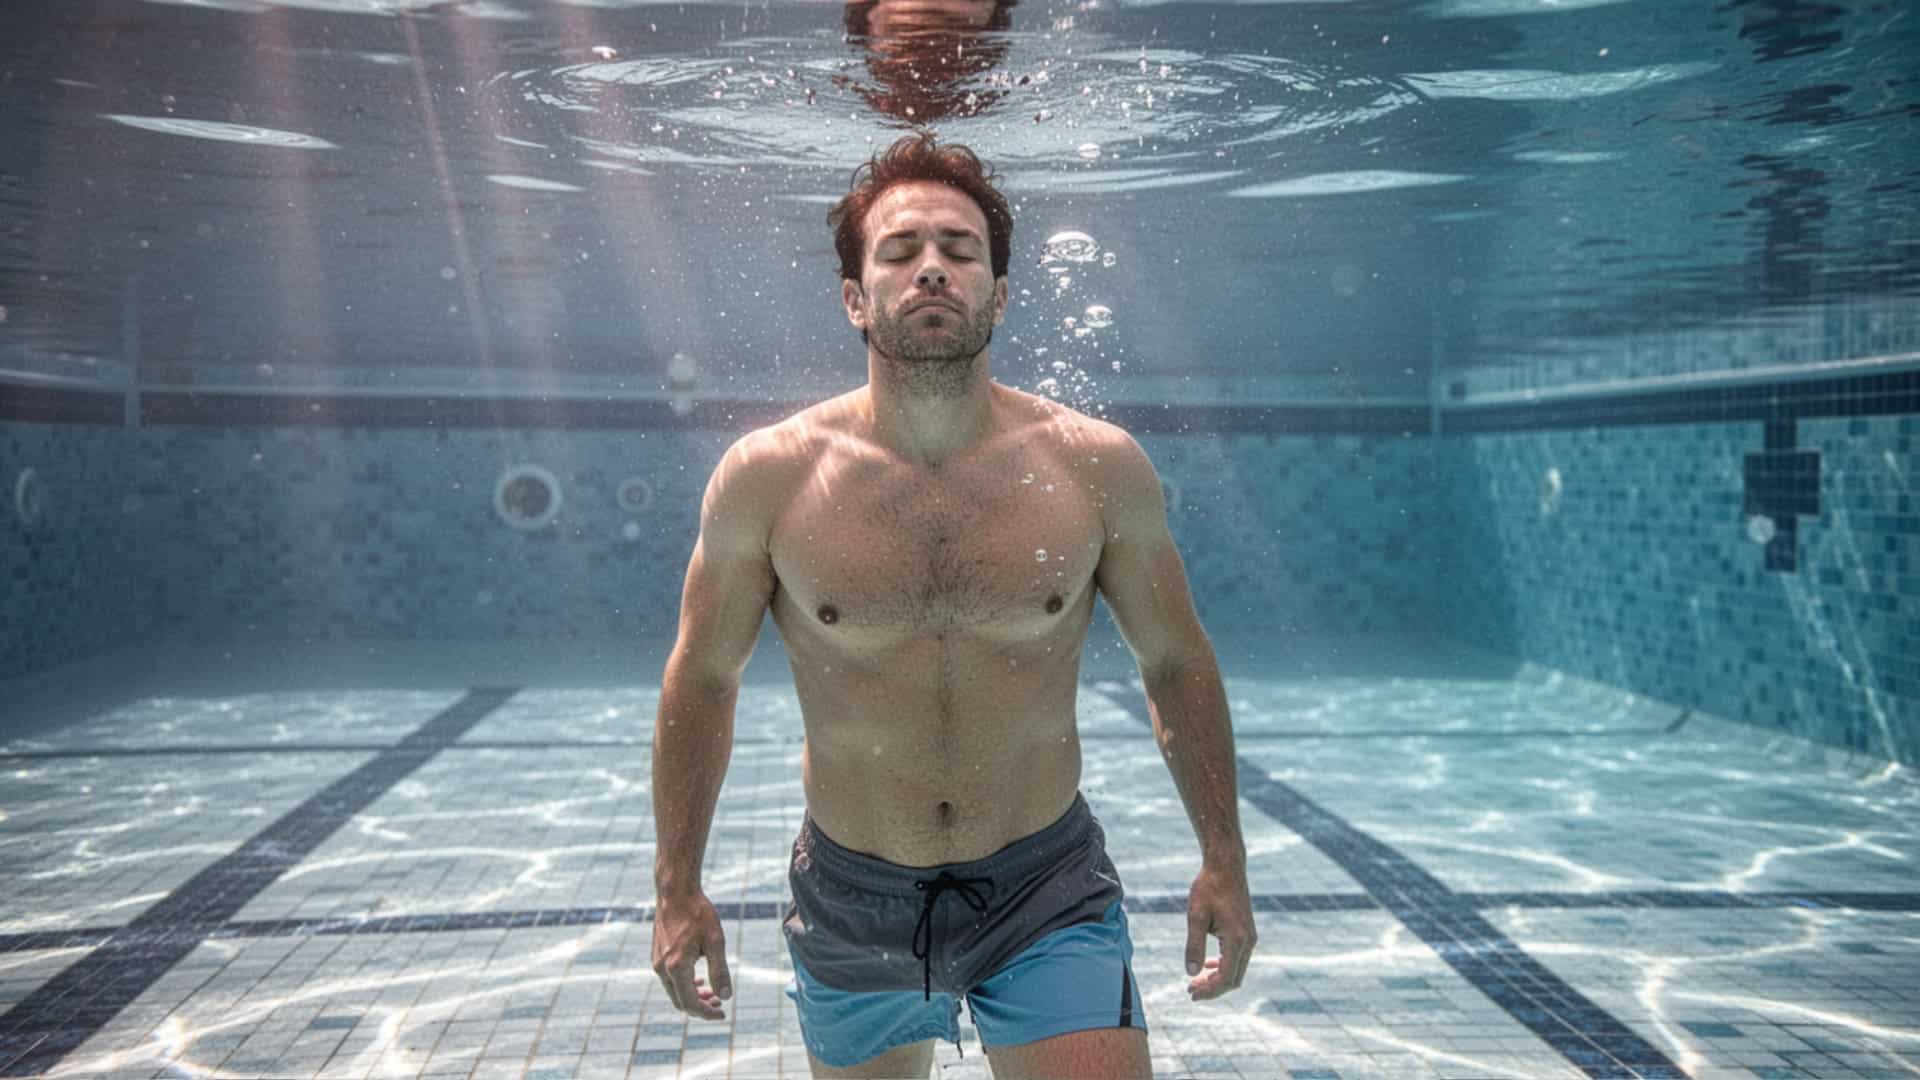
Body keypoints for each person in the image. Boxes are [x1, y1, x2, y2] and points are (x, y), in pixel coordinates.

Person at [650, 132, 1255, 1079]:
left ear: (1000, 293)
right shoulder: (769, 478)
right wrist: (676, 886)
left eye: (960, 250)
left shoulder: (1094, 466)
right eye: (899, 252)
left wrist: (1225, 856)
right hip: (855, 895)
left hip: (1045, 885)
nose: (931, 268)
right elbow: (704, 675)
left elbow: (1174, 658)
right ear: (855, 297)